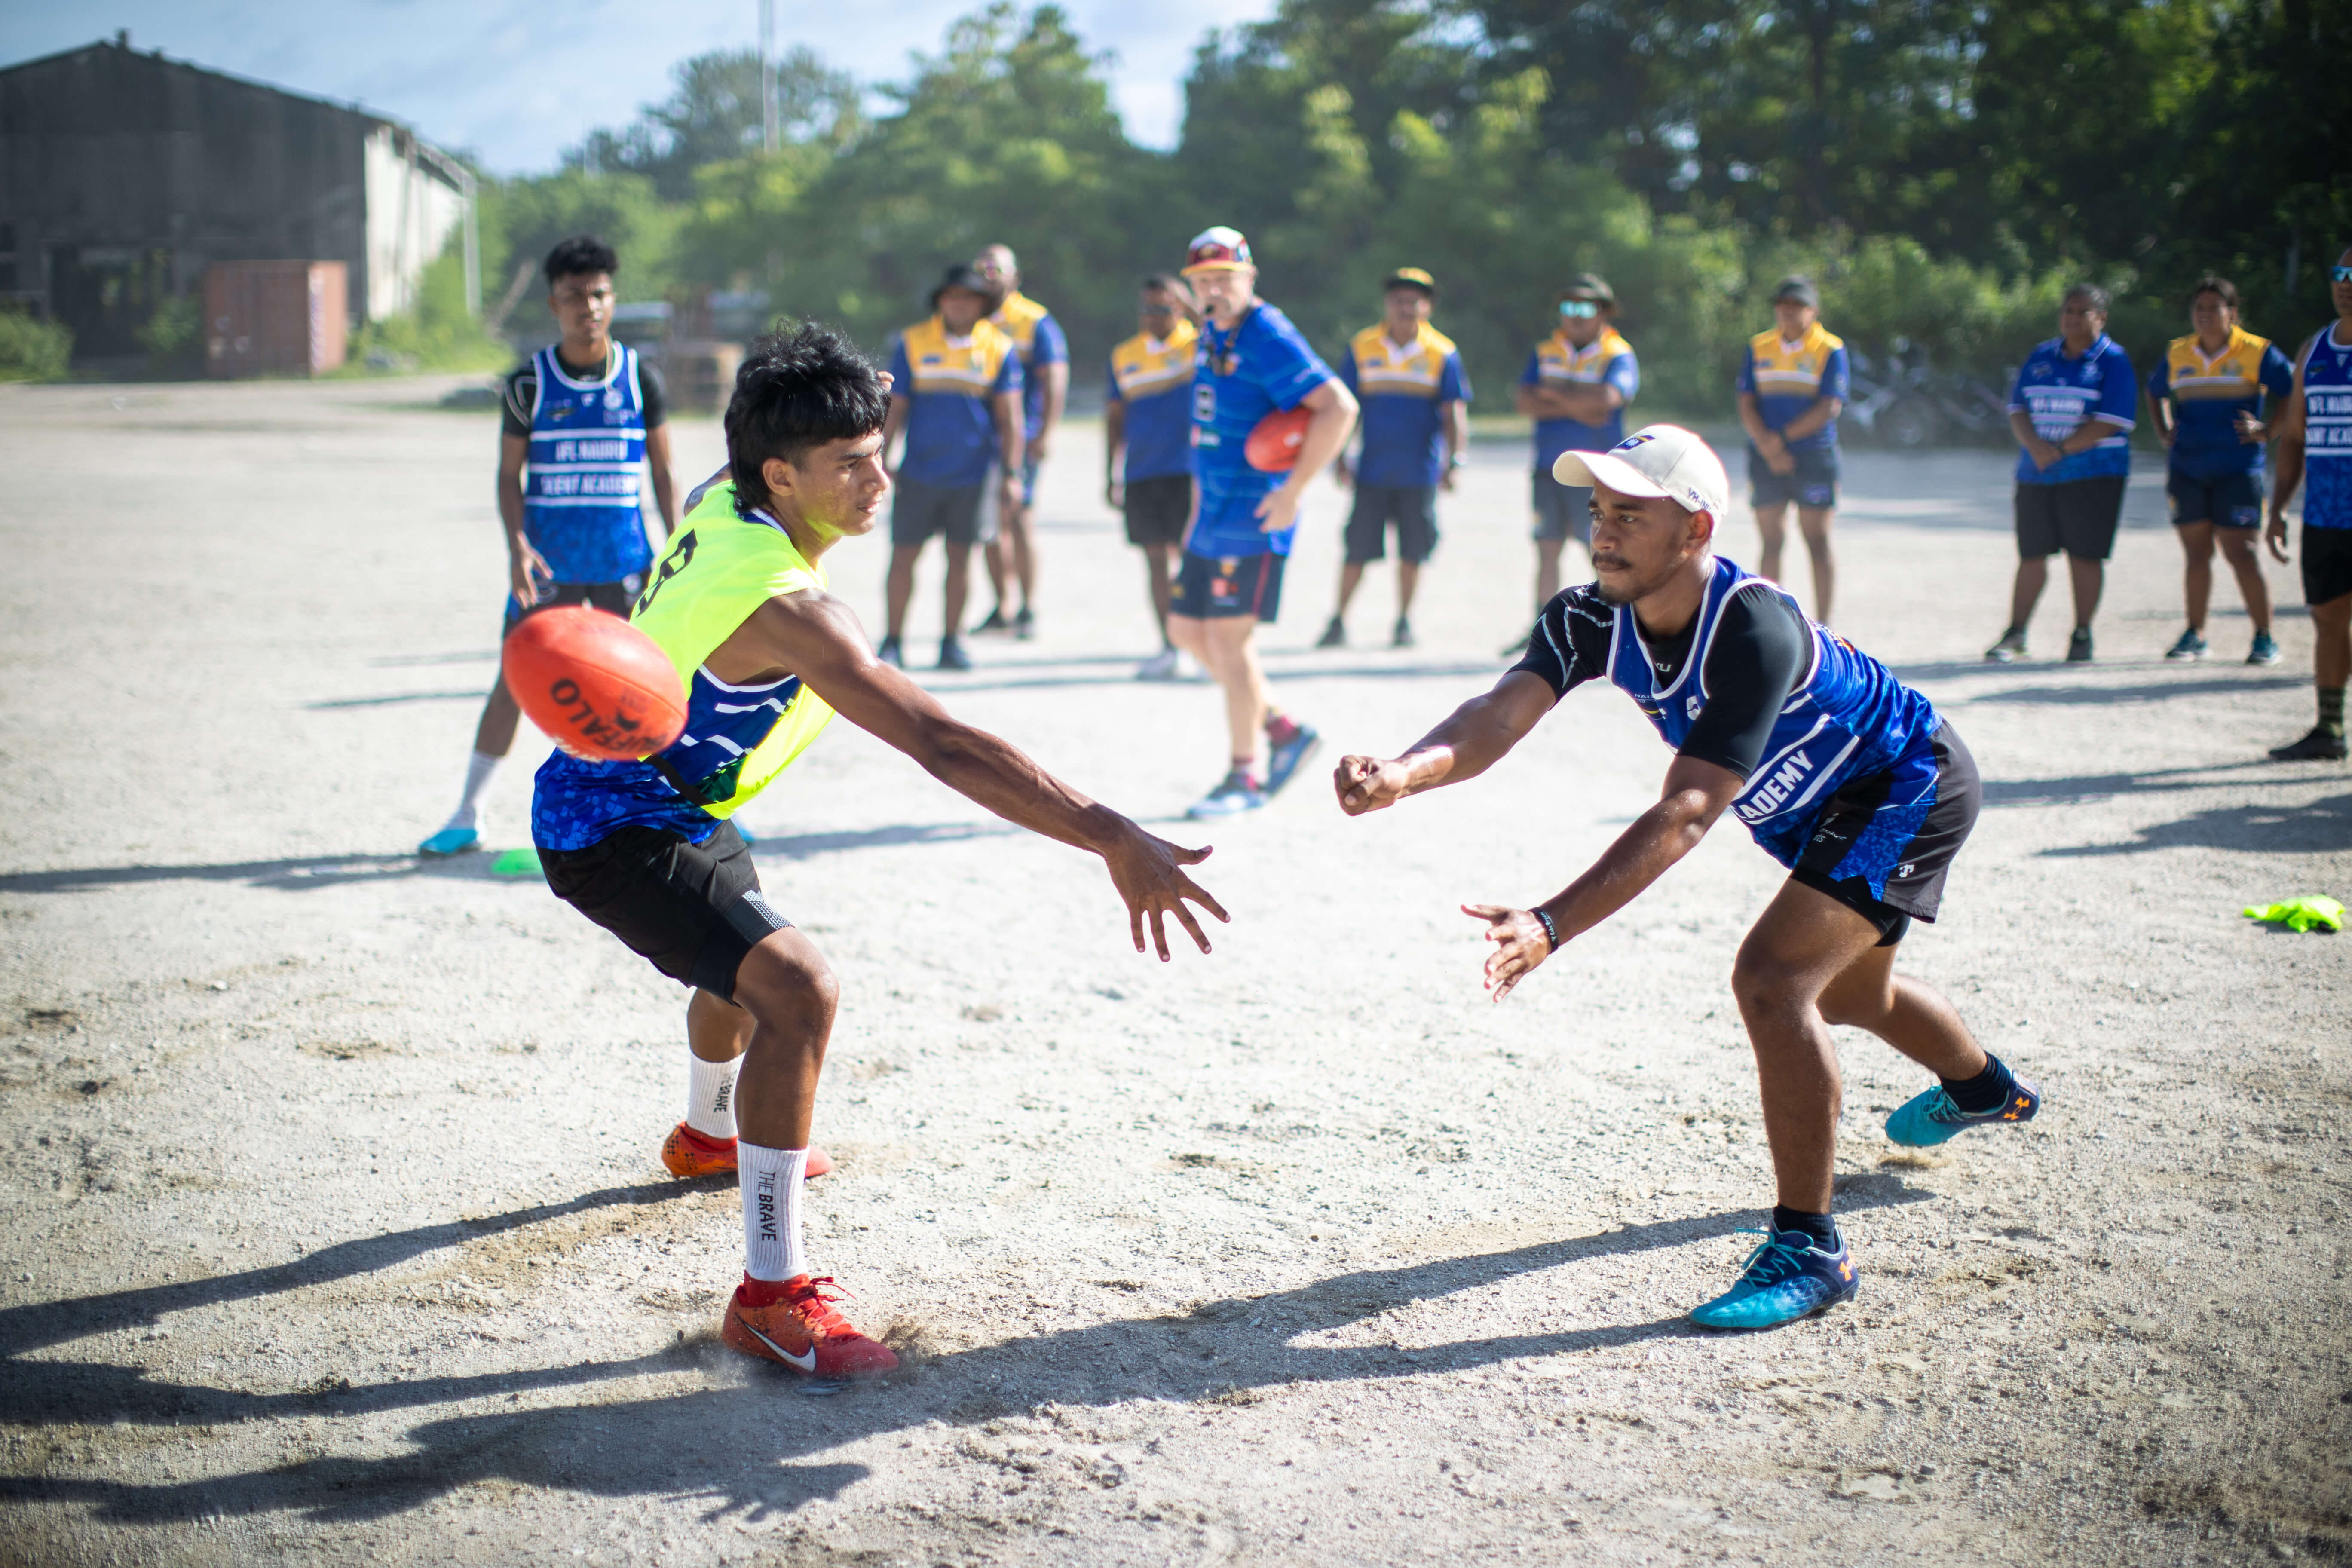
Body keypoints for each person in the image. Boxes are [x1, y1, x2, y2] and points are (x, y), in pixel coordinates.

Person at [530, 325, 1228, 1378]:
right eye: (851, 463)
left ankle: (709, 1137)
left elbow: (744, 445)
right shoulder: (793, 610)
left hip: (678, 798)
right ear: (782, 474)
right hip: (611, 824)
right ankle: (771, 1297)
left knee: (737, 968)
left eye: (879, 448)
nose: (879, 479)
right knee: (798, 989)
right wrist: (1108, 833)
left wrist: (839, 392)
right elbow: (943, 744)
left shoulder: (720, 501)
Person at [1332, 424, 2039, 1332]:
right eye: (1598, 512)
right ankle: (1985, 1089)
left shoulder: (1752, 626)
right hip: (1803, 808)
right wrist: (1404, 772)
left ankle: (1811, 1249)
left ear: (1696, 530)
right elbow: (1497, 716)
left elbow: (1691, 811)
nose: (1604, 532)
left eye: (1631, 513)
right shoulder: (1588, 616)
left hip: (1903, 784)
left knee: (1775, 981)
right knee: (1854, 996)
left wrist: (1552, 923)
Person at [418, 235, 677, 856]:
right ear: (553, 304)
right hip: (548, 565)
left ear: (613, 300)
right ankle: (468, 813)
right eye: (573, 297)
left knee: (652, 687)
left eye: (598, 295)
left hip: (625, 561)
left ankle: (688, 809)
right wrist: (516, 547)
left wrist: (675, 548)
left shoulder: (642, 378)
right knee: (513, 680)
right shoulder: (529, 383)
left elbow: (664, 473)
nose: (587, 307)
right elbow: (509, 475)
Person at [1166, 226, 1358, 818]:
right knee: (1185, 632)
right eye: (1204, 281)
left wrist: (1295, 491)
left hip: (1254, 513)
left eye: (1225, 278)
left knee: (1228, 639)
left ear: (1250, 279)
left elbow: (1339, 407)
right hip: (1213, 510)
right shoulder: (1210, 330)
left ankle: (1244, 777)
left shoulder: (1268, 333)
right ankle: (1282, 729)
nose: (1214, 289)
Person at [877, 266, 1023, 672]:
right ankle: (892, 641)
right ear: (941, 301)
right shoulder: (913, 342)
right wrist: (880, 460)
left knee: (961, 559)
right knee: (904, 555)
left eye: (969, 297)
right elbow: (897, 407)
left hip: (973, 477)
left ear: (982, 304)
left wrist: (1012, 474)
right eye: (952, 296)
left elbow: (1010, 418)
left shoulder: (1000, 348)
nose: (959, 303)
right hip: (919, 472)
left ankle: (951, 642)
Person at [1317, 267, 1470, 650]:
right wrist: (1338, 455)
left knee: (1412, 552)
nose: (1406, 307)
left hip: (1419, 473)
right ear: (1387, 304)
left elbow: (1454, 413)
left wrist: (1456, 461)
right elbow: (1345, 407)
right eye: (1399, 299)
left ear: (1428, 307)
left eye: (1414, 300)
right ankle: (1338, 620)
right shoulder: (1362, 346)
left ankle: (1403, 621)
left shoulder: (1443, 353)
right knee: (1357, 550)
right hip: (1372, 471)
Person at [1986, 286, 2138, 664]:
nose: (2071, 318)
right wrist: (2035, 447)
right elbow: (2017, 407)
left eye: (2082, 312)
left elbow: (2112, 421)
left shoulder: (2113, 361)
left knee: (2084, 557)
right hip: (2037, 474)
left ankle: (2082, 634)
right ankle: (2016, 633)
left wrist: (2059, 450)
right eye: (2068, 310)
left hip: (2093, 475)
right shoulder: (2042, 355)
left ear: (2101, 318)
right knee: (2032, 554)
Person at [2147, 277, 2296, 663]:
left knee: (2242, 553)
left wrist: (2269, 432)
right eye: (2200, 309)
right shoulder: (2178, 352)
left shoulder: (2257, 351)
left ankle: (2265, 638)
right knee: (2196, 556)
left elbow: (2293, 390)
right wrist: (2164, 430)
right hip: (2187, 470)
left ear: (2233, 312)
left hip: (2237, 470)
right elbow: (2154, 391)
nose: (2206, 315)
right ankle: (2195, 635)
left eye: (2215, 308)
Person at [1509, 274, 1638, 650]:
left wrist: (1553, 397)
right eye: (1569, 307)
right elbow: (1523, 403)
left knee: (1603, 548)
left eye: (1586, 307)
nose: (1576, 315)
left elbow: (1608, 403)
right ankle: (1542, 632)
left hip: (1597, 474)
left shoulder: (1618, 353)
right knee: (1546, 548)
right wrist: (1581, 405)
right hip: (1547, 468)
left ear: (1603, 313)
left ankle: (1621, 629)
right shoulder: (1545, 350)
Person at [2263, 245, 2352, 762]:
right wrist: (2278, 507)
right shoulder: (2314, 350)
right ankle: (2329, 728)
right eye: (2341, 273)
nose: (2347, 282)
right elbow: (2294, 436)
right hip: (2324, 513)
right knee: (2327, 617)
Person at [1106, 273, 1201, 680]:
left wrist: (1194, 306)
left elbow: (1230, 336)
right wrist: (1111, 472)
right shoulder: (1124, 355)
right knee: (1156, 561)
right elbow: (1114, 417)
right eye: (1147, 309)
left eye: (1164, 308)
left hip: (1188, 470)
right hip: (1143, 471)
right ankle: (1170, 646)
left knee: (1191, 561)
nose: (1154, 317)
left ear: (1180, 308)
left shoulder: (1198, 345)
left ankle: (1198, 645)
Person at [971, 243, 1068, 641]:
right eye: (983, 268)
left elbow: (1055, 378)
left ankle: (1029, 608)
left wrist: (1045, 432)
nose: (989, 275)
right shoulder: (969, 317)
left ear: (1016, 276)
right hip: (978, 443)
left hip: (1019, 438)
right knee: (989, 527)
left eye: (997, 269)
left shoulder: (1034, 321)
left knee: (1021, 518)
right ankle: (1003, 606)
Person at [1736, 276, 1847, 625]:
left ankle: (1825, 625)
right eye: (1783, 306)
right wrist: (1769, 447)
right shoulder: (1758, 346)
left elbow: (1829, 407)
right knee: (1771, 541)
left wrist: (1778, 441)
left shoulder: (1830, 348)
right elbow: (1745, 399)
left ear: (1813, 311)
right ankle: (1772, 622)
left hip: (1813, 456)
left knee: (1817, 540)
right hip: (1766, 455)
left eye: (1797, 306)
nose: (1788, 312)